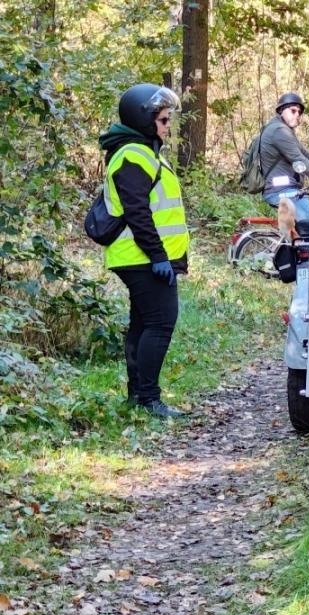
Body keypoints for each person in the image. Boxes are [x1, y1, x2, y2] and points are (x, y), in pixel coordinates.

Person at [98, 83, 190, 418]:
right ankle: (150, 399)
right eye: (164, 120)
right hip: (142, 258)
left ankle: (138, 396)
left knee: (143, 324)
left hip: (142, 257)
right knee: (160, 323)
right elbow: (138, 211)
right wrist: (158, 256)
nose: (168, 126)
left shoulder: (141, 151)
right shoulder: (133, 155)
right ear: (144, 120)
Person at [260, 92, 309, 210]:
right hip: (281, 191)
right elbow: (300, 160)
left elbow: (308, 156)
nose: (297, 114)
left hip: (288, 190)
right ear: (281, 110)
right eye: (293, 110)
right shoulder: (278, 131)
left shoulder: (286, 130)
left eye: (299, 112)